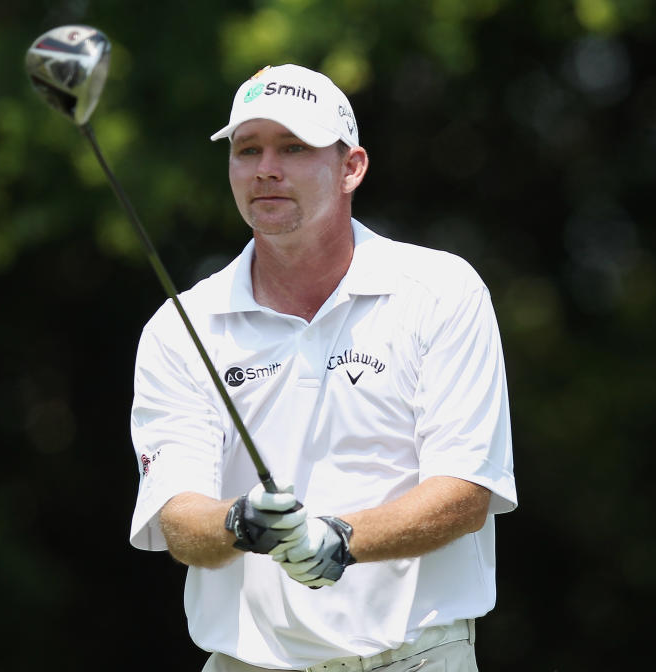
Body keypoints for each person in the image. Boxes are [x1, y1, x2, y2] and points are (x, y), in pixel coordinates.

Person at [129, 63, 517, 672]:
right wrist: (238, 521)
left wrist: (340, 539)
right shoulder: (182, 326)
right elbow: (180, 520)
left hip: (417, 658)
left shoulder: (441, 290)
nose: (266, 169)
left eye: (294, 147)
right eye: (247, 149)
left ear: (351, 168)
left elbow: (466, 490)